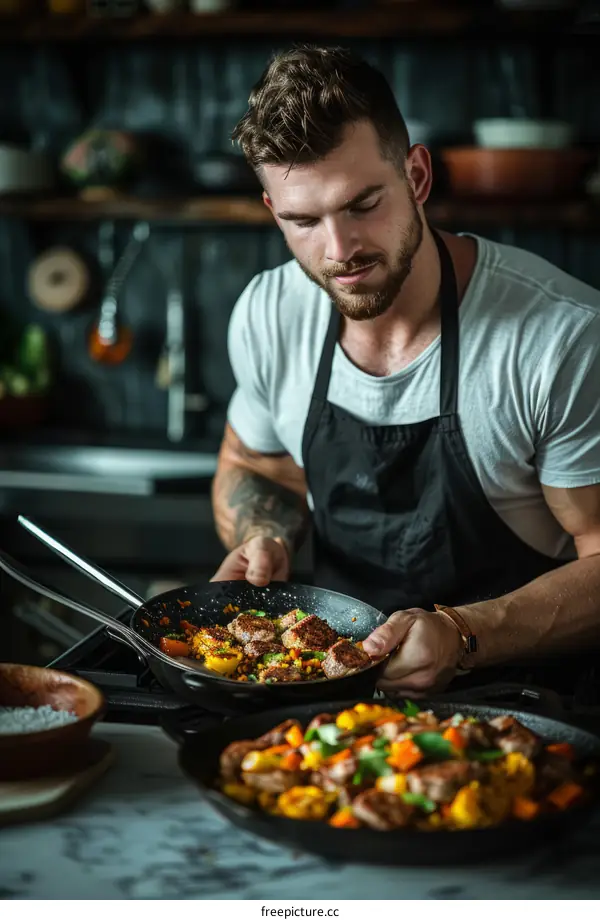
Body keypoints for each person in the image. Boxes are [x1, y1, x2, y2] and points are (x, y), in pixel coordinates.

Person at [209, 44, 600, 695]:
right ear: (272, 212)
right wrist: (264, 535)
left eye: (363, 205)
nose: (339, 252)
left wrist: (467, 633)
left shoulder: (560, 338)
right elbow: (252, 464)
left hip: (526, 708)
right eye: (303, 220)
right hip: (328, 704)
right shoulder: (268, 313)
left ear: (416, 177)